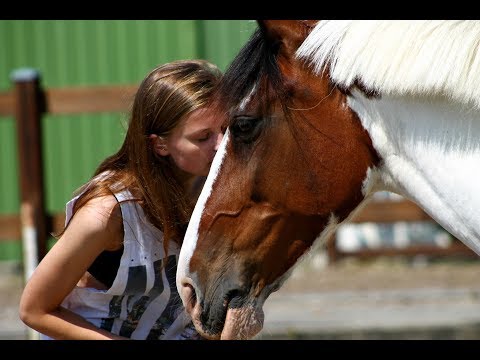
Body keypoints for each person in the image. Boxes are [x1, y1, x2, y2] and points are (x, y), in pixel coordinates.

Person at [19, 59, 226, 340]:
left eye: (227, 128)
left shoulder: (222, 191)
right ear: (159, 144)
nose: (221, 144)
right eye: (203, 137)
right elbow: (34, 310)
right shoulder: (107, 214)